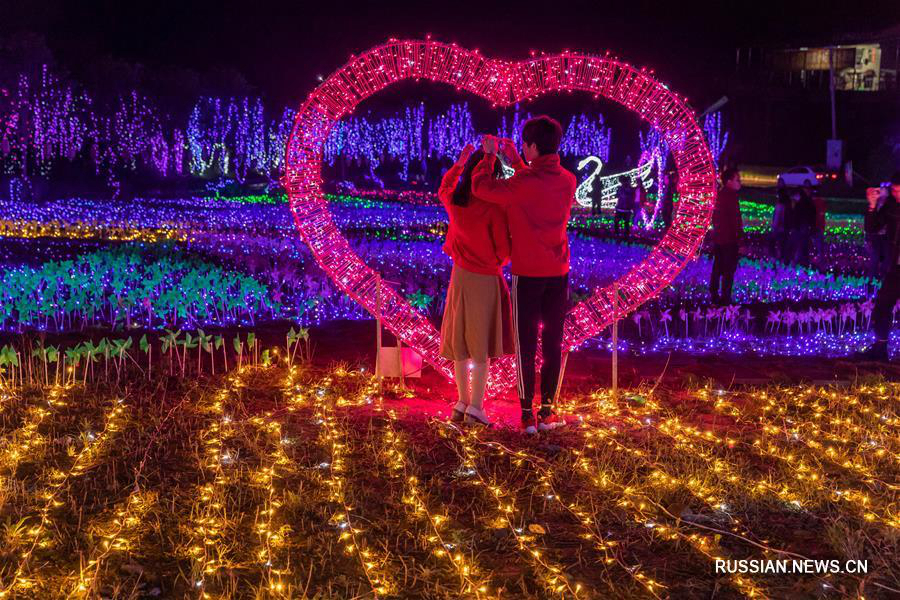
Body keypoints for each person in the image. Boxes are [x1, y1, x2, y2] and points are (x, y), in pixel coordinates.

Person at [472, 116, 576, 434]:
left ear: (531, 146)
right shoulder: (568, 180)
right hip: (558, 273)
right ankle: (547, 411)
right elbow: (537, 182)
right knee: (553, 342)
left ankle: (526, 414)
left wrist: (489, 157)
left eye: (525, 145)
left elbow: (482, 188)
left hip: (527, 273)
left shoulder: (521, 183)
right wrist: (518, 161)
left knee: (526, 344)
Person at [438, 144, 513, 425]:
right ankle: (477, 408)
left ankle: (462, 402)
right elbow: (504, 250)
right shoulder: (493, 207)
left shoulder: (455, 201)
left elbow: (443, 188)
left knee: (461, 344)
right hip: (485, 278)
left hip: (459, 277)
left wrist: (458, 165)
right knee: (480, 348)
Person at [858, 172, 900, 361]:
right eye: (894, 190)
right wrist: (873, 205)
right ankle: (880, 348)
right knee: (882, 307)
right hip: (896, 267)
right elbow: (872, 228)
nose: (897, 194)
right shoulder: (891, 206)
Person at [709, 167, 744, 305]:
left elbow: (714, 218)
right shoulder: (731, 196)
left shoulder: (719, 195)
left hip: (719, 239)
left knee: (718, 267)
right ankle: (725, 298)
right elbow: (735, 221)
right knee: (728, 270)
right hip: (729, 240)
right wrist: (740, 242)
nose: (740, 182)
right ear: (729, 181)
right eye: (737, 180)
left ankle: (714, 294)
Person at [789, 188, 816, 266]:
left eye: (794, 196)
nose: (793, 199)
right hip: (804, 227)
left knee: (800, 244)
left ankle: (800, 261)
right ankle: (803, 262)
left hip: (801, 227)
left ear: (798, 194)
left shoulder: (802, 203)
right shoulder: (806, 202)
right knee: (803, 245)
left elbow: (798, 216)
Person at [806, 181, 827, 262]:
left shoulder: (811, 202)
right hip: (820, 225)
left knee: (813, 242)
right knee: (819, 243)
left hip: (814, 225)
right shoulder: (822, 202)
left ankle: (815, 257)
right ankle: (820, 257)